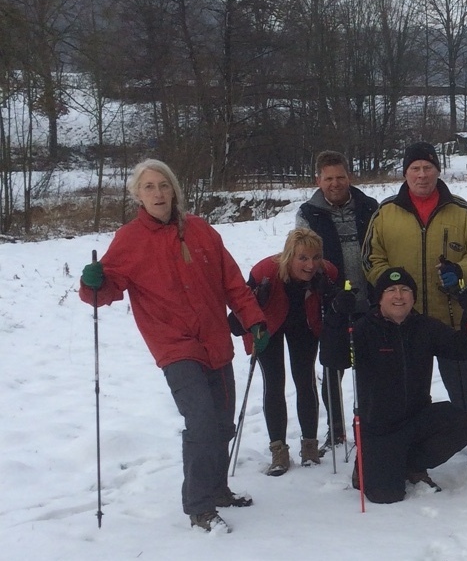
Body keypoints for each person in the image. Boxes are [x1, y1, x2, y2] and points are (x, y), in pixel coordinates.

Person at [78, 159, 266, 533]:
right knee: (201, 421)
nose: (158, 193)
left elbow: (232, 282)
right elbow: (105, 290)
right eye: (149, 187)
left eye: (163, 185)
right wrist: (92, 283)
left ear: (174, 190)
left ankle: (217, 488)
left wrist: (254, 320)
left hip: (215, 339)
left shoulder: (201, 230)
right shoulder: (129, 239)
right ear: (138, 195)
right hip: (174, 345)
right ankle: (199, 507)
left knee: (222, 423)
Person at [363, 141, 467, 463]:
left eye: (428, 167)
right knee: (405, 390)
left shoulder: (459, 210)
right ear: (405, 173)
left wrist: (460, 271)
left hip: (448, 316)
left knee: (464, 384)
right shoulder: (386, 212)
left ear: (438, 170)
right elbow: (371, 258)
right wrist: (390, 286)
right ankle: (406, 448)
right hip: (401, 323)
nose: (422, 175)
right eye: (415, 168)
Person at [346, 267, 467, 503]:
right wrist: (336, 317)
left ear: (413, 297)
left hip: (417, 418)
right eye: (391, 290)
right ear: (380, 297)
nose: (399, 296)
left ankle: (412, 464)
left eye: (405, 290)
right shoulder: (363, 329)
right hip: (379, 427)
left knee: (464, 423)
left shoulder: (425, 327)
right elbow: (332, 358)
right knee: (386, 495)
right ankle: (370, 461)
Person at [297, 150, 379, 451]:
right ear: (318, 180)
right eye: (329, 178)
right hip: (332, 303)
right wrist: (325, 288)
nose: (335, 183)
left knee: (371, 368)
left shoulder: (370, 207)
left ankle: (369, 424)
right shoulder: (308, 214)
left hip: (369, 300)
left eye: (340, 177)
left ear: (349, 177)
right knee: (333, 369)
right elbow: (304, 258)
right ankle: (336, 430)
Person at [244, 229, 339, 476]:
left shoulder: (326, 273)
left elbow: (338, 304)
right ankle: (278, 450)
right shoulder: (265, 271)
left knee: (305, 379)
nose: (310, 265)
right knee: (274, 382)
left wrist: (330, 294)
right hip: (270, 325)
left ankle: (309, 446)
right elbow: (241, 309)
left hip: (304, 325)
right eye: (303, 258)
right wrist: (255, 304)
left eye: (315, 257)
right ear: (289, 256)